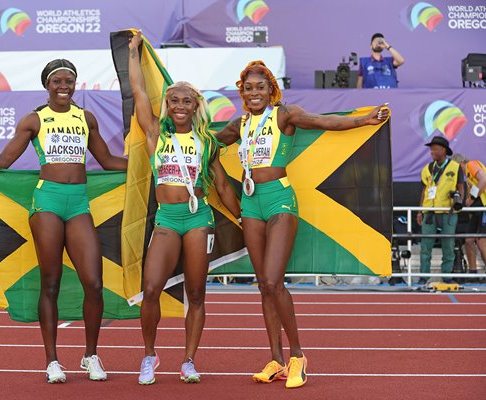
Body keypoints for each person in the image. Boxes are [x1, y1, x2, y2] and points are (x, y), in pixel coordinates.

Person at [0, 59, 127, 384]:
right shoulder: (34, 119)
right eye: (57, 80)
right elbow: (4, 160)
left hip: (79, 203)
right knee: (51, 282)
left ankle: (91, 355)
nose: (63, 85)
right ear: (47, 85)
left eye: (69, 80)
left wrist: (149, 163)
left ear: (75, 84)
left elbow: (109, 160)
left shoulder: (86, 118)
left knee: (94, 284)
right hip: (47, 203)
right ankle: (52, 360)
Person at [216, 60, 388, 389]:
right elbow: (208, 144)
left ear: (271, 90)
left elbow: (324, 122)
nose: (254, 93)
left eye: (260, 87)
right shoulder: (239, 125)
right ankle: (276, 359)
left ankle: (298, 356)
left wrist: (364, 119)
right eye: (248, 88)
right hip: (250, 204)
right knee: (263, 285)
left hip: (280, 200)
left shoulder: (284, 115)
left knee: (273, 279)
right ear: (242, 92)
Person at [128, 32, 241, 385]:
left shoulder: (207, 141)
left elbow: (222, 185)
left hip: (198, 218)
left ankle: (189, 360)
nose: (179, 105)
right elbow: (139, 92)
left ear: (196, 106)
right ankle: (149, 355)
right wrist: (134, 53)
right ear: (168, 105)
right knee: (151, 289)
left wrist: (241, 218)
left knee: (196, 293)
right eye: (174, 100)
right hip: (166, 218)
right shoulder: (154, 135)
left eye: (186, 101)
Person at [417, 137, 464, 285]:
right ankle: (424, 276)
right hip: (429, 211)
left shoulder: (455, 167)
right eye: (431, 149)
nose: (432, 151)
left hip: (447, 212)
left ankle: (446, 275)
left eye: (435, 148)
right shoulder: (427, 168)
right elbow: (424, 190)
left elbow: (461, 187)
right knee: (426, 245)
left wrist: (459, 202)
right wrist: (419, 211)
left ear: (443, 150)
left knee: (448, 244)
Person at [451, 153, 486, 277]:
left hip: (484, 207)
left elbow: (483, 179)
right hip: (478, 208)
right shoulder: (467, 176)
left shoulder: (471, 164)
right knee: (469, 240)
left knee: (482, 242)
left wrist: (472, 197)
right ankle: (473, 273)